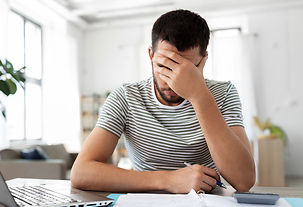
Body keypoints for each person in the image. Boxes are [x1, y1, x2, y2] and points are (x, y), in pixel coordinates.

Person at [71, 9, 255, 194]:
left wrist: (199, 95)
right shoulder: (126, 97)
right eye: (164, 66)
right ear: (151, 55)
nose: (172, 82)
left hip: (208, 204)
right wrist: (169, 180)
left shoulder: (223, 93)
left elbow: (244, 180)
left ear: (203, 60)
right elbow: (81, 173)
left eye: (187, 69)